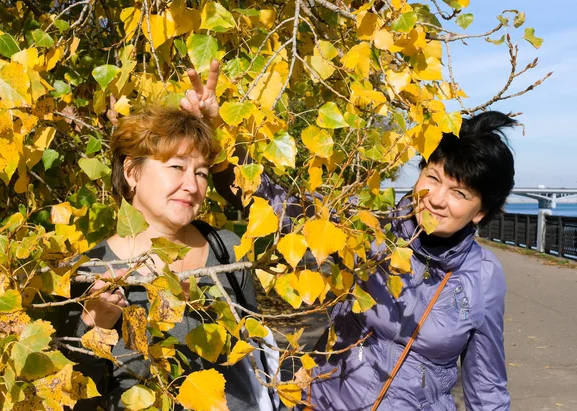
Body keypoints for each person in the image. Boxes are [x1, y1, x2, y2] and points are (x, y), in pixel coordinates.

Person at [182, 62, 515, 410]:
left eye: (459, 193)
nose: (436, 198)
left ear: (481, 212)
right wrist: (215, 132)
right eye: (433, 177)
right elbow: (270, 200)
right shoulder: (368, 226)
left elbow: (487, 385)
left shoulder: (483, 276)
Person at [60, 104, 273, 411]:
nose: (192, 185)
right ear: (133, 172)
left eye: (200, 172)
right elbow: (74, 401)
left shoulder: (226, 248)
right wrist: (93, 328)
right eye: (177, 167)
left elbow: (253, 351)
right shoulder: (87, 272)